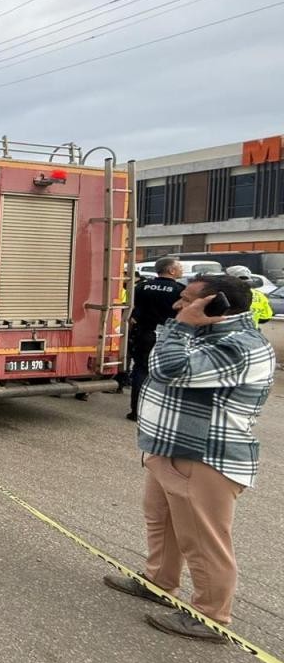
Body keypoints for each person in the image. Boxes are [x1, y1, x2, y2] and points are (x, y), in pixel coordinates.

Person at [103, 275, 276, 641]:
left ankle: (212, 616)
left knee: (203, 540)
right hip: (170, 450)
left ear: (216, 305)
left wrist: (180, 327)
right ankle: (159, 582)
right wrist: (182, 328)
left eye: (187, 299)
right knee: (161, 522)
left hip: (204, 457)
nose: (178, 306)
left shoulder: (241, 345)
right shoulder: (202, 335)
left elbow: (169, 370)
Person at [127, 256, 184, 421]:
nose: (181, 269)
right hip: (168, 336)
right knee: (165, 372)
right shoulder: (180, 290)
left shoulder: (142, 287)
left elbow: (131, 312)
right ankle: (156, 412)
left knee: (140, 370)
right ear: (171, 270)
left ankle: (136, 411)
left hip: (143, 334)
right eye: (179, 266)